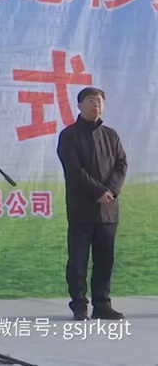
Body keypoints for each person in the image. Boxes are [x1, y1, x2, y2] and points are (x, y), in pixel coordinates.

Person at [57, 87, 127, 321]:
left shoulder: (111, 135)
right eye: (90, 100)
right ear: (79, 105)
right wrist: (98, 191)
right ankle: (79, 305)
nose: (96, 104)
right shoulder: (69, 135)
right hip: (82, 208)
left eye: (99, 101)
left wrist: (111, 191)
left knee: (105, 260)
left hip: (108, 209)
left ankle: (102, 304)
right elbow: (74, 170)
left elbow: (121, 164)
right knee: (78, 260)